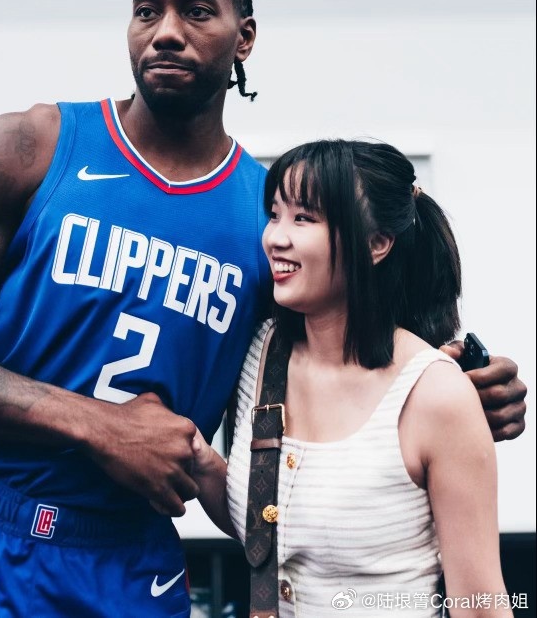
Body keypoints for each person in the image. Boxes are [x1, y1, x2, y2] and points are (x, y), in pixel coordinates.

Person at [0, 0, 525, 618]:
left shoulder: (266, 223)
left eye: (196, 10)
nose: (166, 31)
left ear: (244, 37)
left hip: (118, 561)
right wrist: (98, 426)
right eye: (147, 10)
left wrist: (452, 400)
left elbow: (343, 366)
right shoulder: (34, 146)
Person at [192, 140, 514, 617]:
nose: (275, 237)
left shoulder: (435, 394)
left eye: (304, 218)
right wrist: (200, 463)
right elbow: (269, 532)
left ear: (376, 243)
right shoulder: (262, 353)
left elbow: (480, 604)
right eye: (275, 215)